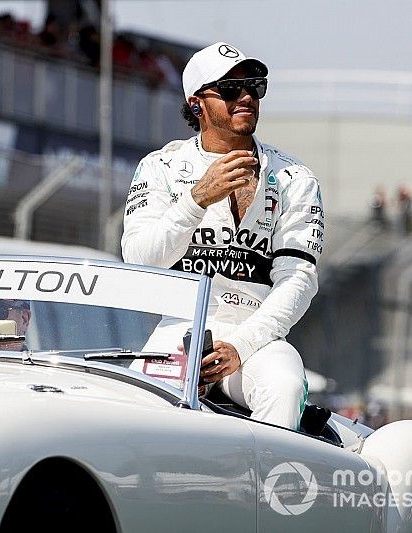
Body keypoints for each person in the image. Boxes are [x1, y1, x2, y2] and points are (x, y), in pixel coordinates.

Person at [121, 42, 324, 430]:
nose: (246, 97)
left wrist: (242, 345)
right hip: (178, 330)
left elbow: (298, 278)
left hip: (258, 335)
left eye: (254, 86)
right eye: (230, 89)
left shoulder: (296, 178)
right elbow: (139, 262)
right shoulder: (160, 166)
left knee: (285, 386)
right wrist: (196, 199)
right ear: (197, 103)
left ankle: (262, 490)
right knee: (134, 410)